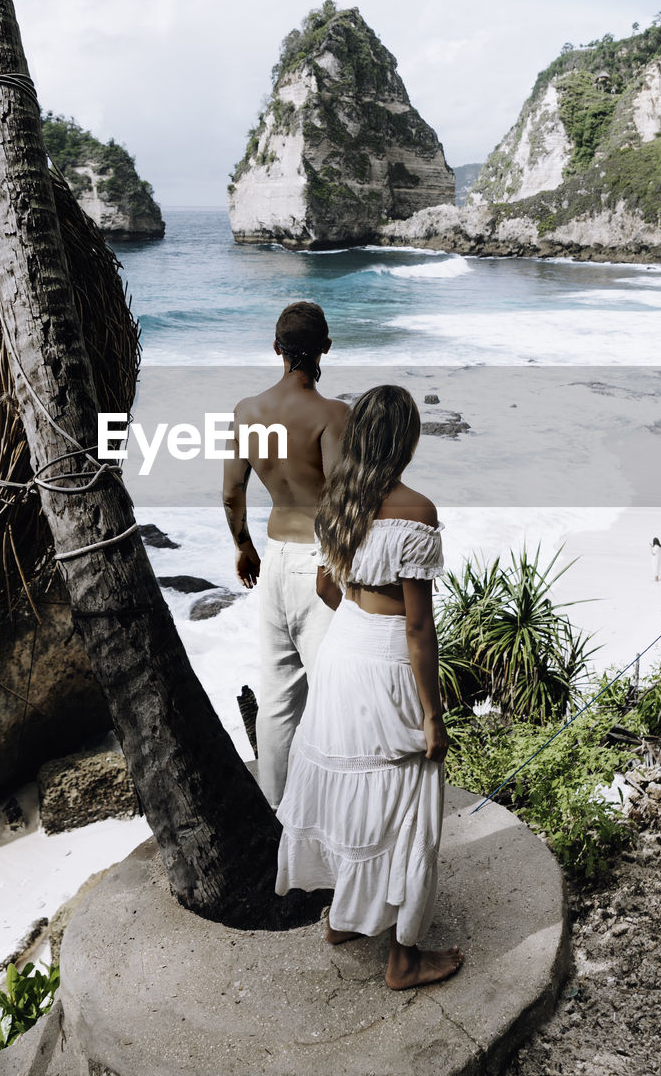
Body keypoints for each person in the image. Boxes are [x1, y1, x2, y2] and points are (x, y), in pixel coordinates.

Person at [275, 385, 463, 990]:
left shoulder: (340, 502)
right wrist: (432, 714)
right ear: (406, 440)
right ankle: (404, 959)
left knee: (346, 784)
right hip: (385, 664)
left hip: (341, 651)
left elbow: (330, 590)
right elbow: (417, 628)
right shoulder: (416, 511)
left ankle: (343, 918)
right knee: (409, 801)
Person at [222, 301, 350, 807]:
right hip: (320, 560)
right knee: (332, 691)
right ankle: (337, 812)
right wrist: (334, 567)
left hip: (273, 558)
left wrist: (243, 545)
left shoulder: (247, 411)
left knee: (277, 699)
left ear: (276, 348)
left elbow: (232, 492)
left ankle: (276, 811)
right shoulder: (334, 415)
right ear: (325, 347)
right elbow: (342, 498)